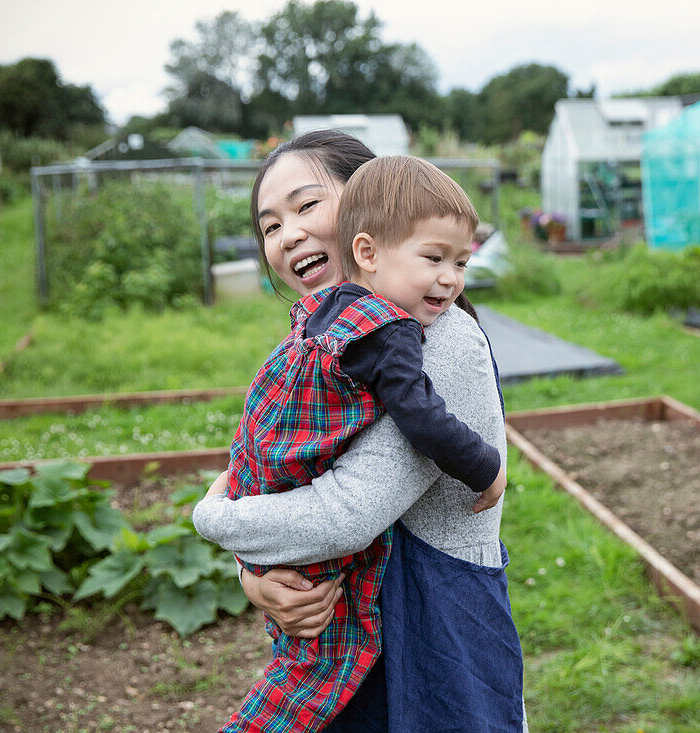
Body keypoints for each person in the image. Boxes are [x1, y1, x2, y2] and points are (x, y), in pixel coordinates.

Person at [194, 130, 525, 732]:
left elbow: (344, 515)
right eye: (270, 226)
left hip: (431, 637)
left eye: (306, 205)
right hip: (355, 640)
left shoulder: (440, 341)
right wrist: (254, 577)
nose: (288, 234)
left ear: (371, 208)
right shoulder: (328, 346)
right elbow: (273, 471)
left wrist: (216, 521)